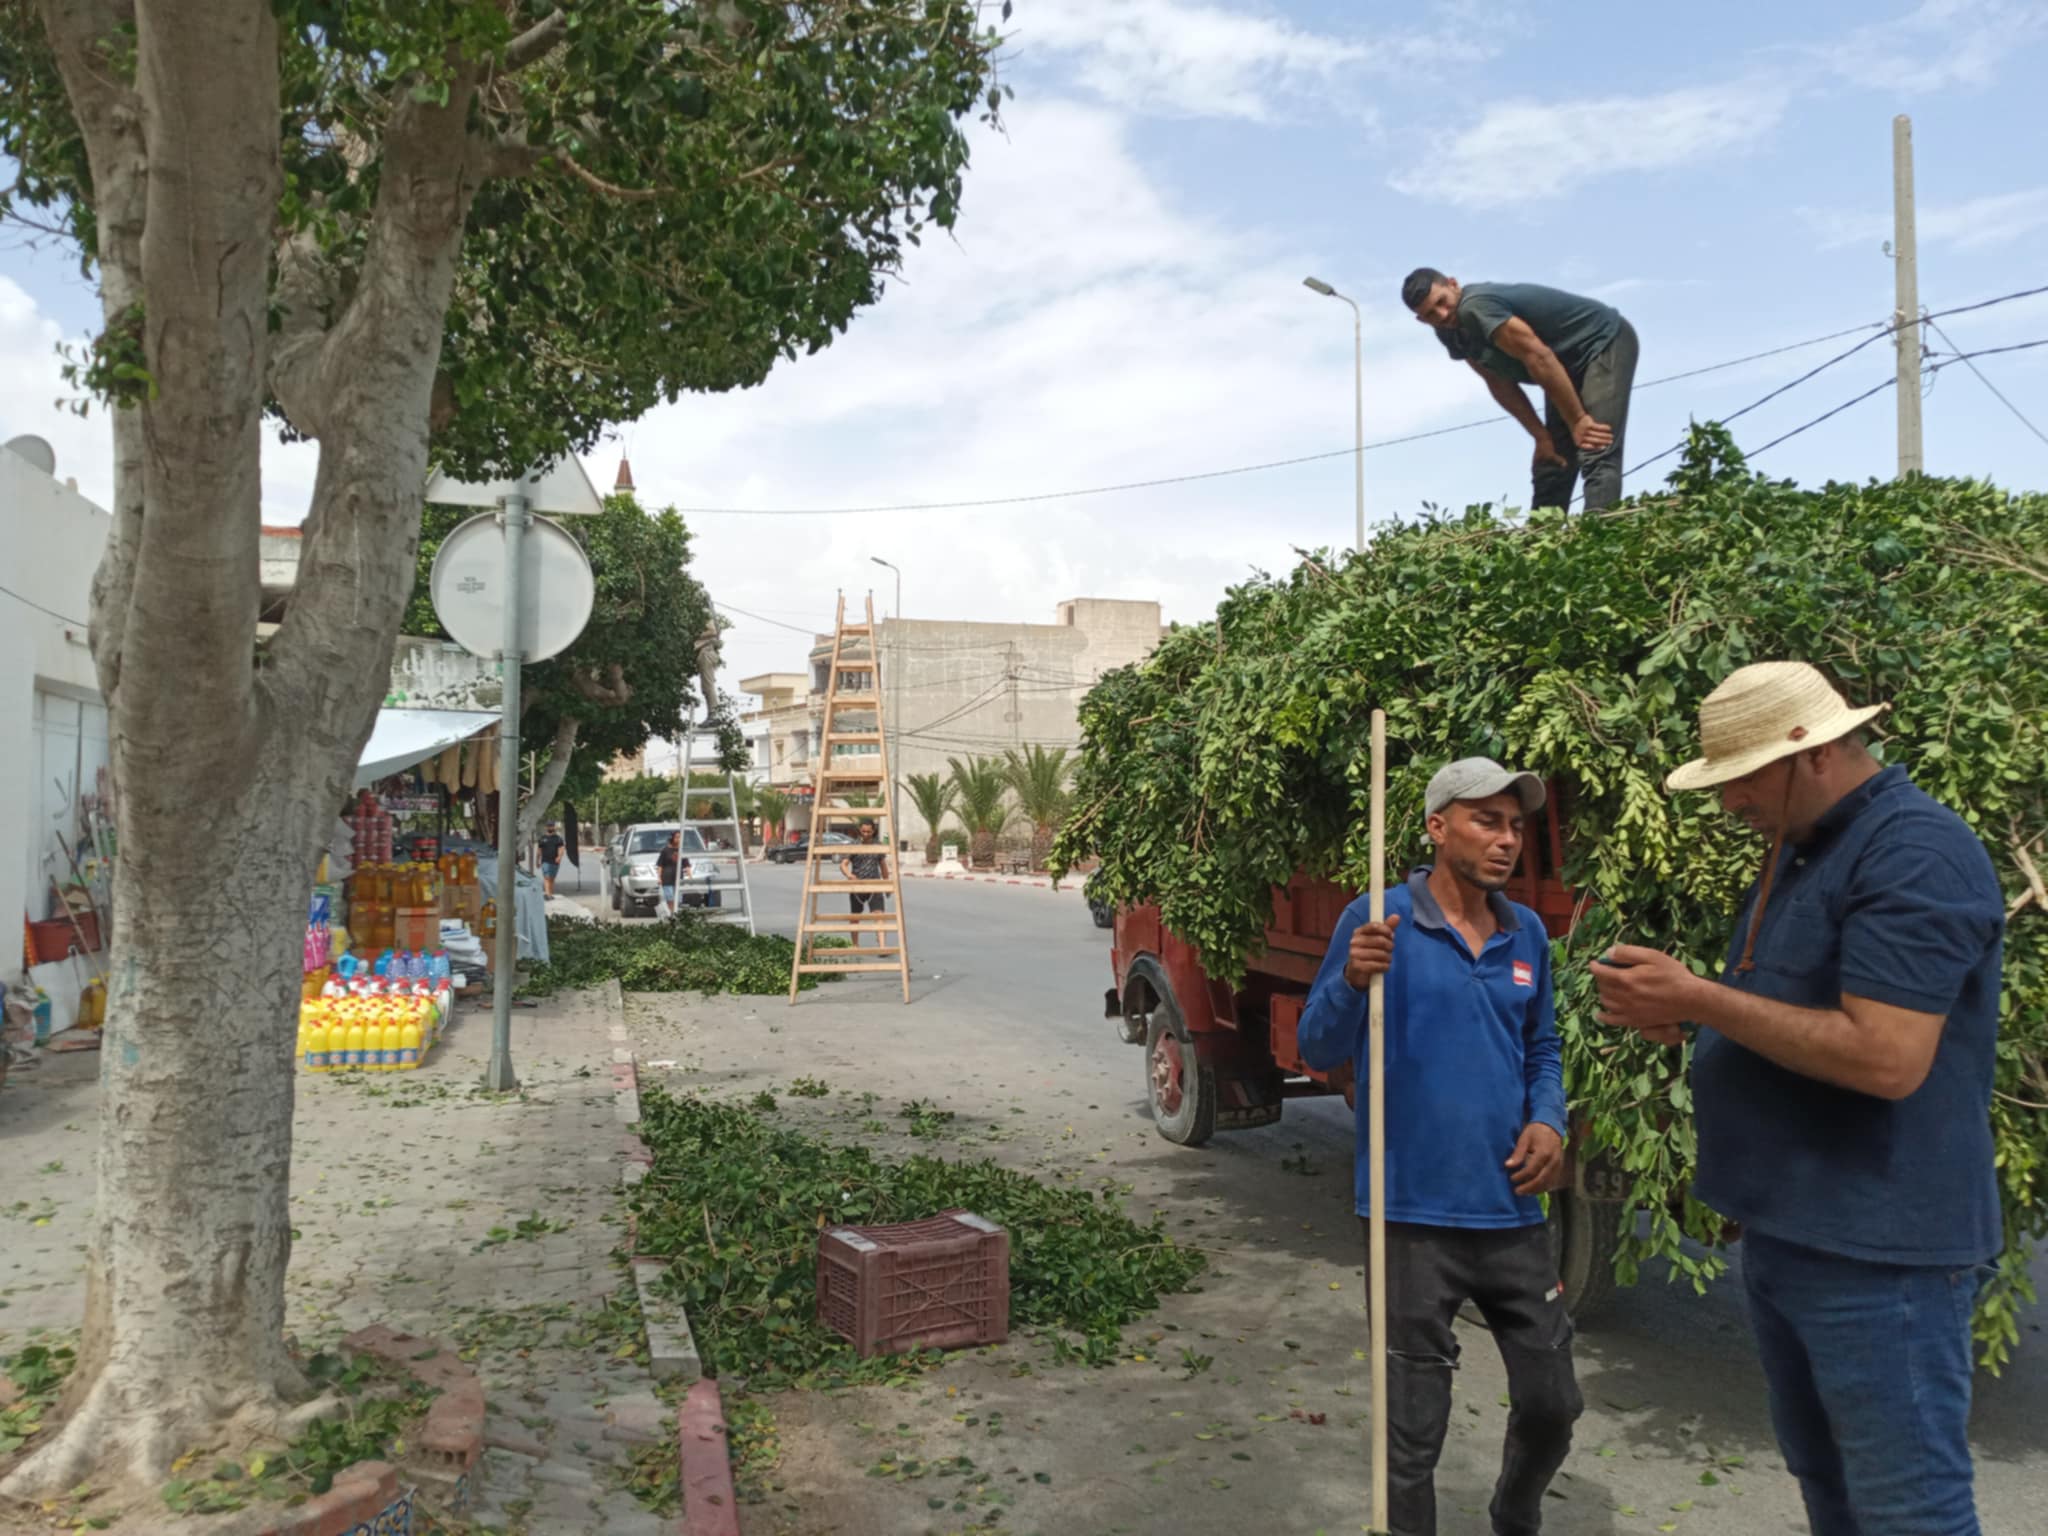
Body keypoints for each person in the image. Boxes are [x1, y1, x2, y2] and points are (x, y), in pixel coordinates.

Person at [1593, 661, 2004, 1536]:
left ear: (1811, 753)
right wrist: (1692, 1020)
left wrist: (1703, 1000)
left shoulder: (1915, 852)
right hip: (1794, 1233)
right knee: (1830, 1486)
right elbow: (1792, 1009)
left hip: (1877, 1250)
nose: (1729, 802)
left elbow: (1887, 1058)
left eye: (1743, 778)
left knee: (1909, 1509)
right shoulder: (1806, 848)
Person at [1298, 758, 1581, 1536]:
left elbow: (1543, 1047)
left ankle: (1514, 1514)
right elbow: (1317, 1046)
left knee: (1554, 1402)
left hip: (1511, 1211)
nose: (1507, 839)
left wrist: (1548, 1119)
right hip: (1409, 1218)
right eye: (1487, 821)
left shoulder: (1526, 933)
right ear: (1437, 827)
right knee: (1411, 1436)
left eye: (1516, 826)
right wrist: (1351, 980)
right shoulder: (1377, 920)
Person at [1402, 269, 1638, 512]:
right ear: (1421, 320)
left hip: (1600, 342)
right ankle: (1541, 535)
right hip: (1562, 367)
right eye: (1430, 314)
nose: (1441, 314)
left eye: (1442, 302)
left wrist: (1577, 419)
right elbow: (1497, 382)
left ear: (1453, 284)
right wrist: (1541, 437)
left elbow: (1538, 356)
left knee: (1594, 445)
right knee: (1552, 459)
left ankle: (1599, 532)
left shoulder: (1476, 307)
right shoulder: (1449, 332)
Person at [838, 819, 889, 947]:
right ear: (860, 830)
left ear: (873, 831)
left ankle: (882, 946)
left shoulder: (878, 846)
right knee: (855, 917)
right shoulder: (854, 845)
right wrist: (849, 875)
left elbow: (883, 866)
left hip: (874, 885)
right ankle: (855, 945)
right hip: (857, 887)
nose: (865, 834)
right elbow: (843, 864)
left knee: (879, 915)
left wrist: (887, 884)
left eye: (868, 832)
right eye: (863, 831)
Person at [656, 831, 682, 918]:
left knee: (678, 899)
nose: (678, 839)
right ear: (672, 838)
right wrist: (659, 877)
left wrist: (689, 876)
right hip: (667, 878)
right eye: (677, 837)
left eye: (680, 837)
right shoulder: (665, 850)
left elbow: (686, 864)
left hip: (678, 878)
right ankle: (672, 914)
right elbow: (660, 865)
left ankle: (676, 913)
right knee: (670, 898)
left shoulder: (682, 850)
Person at [538, 822, 565, 896]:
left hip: (555, 861)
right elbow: (539, 850)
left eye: (551, 826)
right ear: (546, 827)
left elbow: (561, 848)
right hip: (545, 861)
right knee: (547, 877)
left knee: (552, 878)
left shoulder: (558, 838)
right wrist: (537, 860)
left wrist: (559, 857)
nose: (550, 827)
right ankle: (547, 894)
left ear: (554, 827)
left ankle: (550, 893)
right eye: (548, 826)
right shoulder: (542, 838)